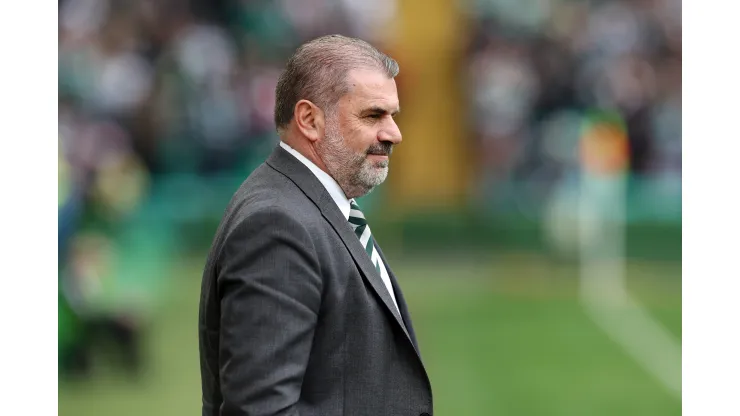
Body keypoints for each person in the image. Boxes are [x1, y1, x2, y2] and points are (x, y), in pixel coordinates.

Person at [198, 34, 433, 416]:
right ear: (309, 119)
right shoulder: (277, 225)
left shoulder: (309, 206)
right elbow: (261, 410)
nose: (394, 133)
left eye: (393, 116)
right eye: (373, 115)